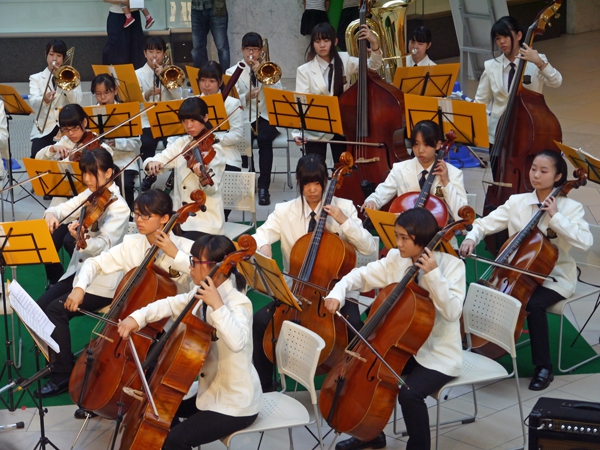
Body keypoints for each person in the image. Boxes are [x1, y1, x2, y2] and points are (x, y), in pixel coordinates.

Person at [326, 208, 465, 450]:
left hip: (438, 353)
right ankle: (369, 434)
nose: (398, 243)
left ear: (422, 239)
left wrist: (433, 275)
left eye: (404, 238)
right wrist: (337, 292)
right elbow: (362, 275)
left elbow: (452, 312)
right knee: (367, 374)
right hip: (402, 346)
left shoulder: (452, 266)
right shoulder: (396, 258)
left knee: (410, 395)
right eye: (397, 236)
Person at [460, 150, 593, 391]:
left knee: (533, 303)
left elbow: (585, 242)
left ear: (558, 176)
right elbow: (483, 224)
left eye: (543, 171)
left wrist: (556, 216)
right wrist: (471, 238)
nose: (536, 175)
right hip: (513, 274)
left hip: (554, 278)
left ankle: (544, 367)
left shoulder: (571, 208)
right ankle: (472, 343)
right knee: (485, 290)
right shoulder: (517, 202)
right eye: (533, 169)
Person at [117, 234, 261, 450]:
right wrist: (137, 318)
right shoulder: (200, 291)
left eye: (194, 262)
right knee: (160, 412)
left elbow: (237, 342)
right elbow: (170, 304)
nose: (190, 267)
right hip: (209, 392)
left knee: (176, 440)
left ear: (216, 268)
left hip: (235, 404)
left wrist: (217, 305)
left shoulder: (238, 303)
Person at [252, 154, 377, 391]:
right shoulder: (284, 210)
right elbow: (260, 235)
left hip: (335, 290)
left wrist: (344, 222)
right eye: (306, 184)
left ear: (326, 182)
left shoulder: (344, 207)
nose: (312, 190)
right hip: (296, 290)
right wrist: (264, 246)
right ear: (299, 183)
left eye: (317, 184)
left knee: (354, 326)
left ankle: (351, 385)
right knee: (260, 322)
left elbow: (369, 247)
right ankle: (265, 388)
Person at [67, 189, 193, 419]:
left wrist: (176, 255)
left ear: (165, 218)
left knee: (154, 362)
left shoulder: (186, 248)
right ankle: (104, 397)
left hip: (168, 326)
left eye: (146, 216)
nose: (139, 220)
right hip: (128, 321)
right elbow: (95, 263)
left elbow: (205, 278)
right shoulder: (131, 243)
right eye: (136, 214)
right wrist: (80, 287)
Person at [34, 148, 130, 398]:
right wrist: (51, 214)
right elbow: (64, 207)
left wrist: (82, 241)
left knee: (55, 311)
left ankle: (62, 375)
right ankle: (58, 360)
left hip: (104, 281)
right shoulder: (92, 194)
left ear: (109, 173)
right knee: (40, 307)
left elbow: (106, 244)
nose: (87, 180)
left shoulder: (119, 208)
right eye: (84, 174)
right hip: (79, 274)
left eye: (92, 174)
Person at [35, 104, 114, 287]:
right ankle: (56, 280)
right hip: (65, 206)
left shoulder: (99, 145)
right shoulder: (64, 143)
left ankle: (81, 277)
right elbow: (38, 159)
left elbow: (108, 160)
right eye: (66, 129)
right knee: (47, 239)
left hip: (88, 208)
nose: (70, 134)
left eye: (74, 128)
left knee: (69, 241)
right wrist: (52, 149)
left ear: (84, 123)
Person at [293, 22, 382, 164]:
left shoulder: (345, 60)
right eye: (317, 41)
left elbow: (373, 66)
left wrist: (374, 44)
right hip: (315, 129)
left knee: (345, 168)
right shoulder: (304, 70)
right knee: (315, 170)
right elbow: (301, 105)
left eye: (326, 40)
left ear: (334, 41)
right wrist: (297, 133)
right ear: (313, 44)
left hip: (342, 126)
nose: (322, 45)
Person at [143, 96, 226, 240]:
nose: (188, 126)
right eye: (184, 121)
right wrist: (152, 163)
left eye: (193, 120)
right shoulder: (181, 143)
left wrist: (202, 177)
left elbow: (212, 190)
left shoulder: (215, 149)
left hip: (205, 220)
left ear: (205, 118)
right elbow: (159, 158)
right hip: (179, 216)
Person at [475, 16, 562, 145]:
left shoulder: (536, 61)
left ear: (519, 35)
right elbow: (480, 102)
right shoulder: (490, 66)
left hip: (530, 130)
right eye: (497, 38)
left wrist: (540, 63)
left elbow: (556, 82)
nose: (502, 42)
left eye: (506, 36)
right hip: (498, 134)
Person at [362, 120, 467, 220]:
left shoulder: (454, 173)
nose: (420, 150)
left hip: (440, 232)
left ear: (438, 145)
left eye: (426, 144)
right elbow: (379, 195)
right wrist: (372, 201)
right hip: (406, 230)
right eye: (416, 144)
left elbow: (462, 215)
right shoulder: (400, 169)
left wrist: (446, 182)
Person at [226, 32, 283, 206]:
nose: (251, 53)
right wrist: (247, 96)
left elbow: (279, 93)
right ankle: (247, 183)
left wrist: (263, 75)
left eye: (255, 49)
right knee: (244, 141)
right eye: (248, 49)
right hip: (244, 116)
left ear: (261, 50)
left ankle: (264, 186)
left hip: (264, 115)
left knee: (265, 140)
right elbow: (231, 101)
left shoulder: (269, 68)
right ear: (242, 50)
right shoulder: (232, 72)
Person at [136, 36, 183, 191]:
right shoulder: (137, 74)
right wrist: (147, 94)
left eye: (158, 51)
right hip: (147, 120)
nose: (154, 55)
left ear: (164, 54)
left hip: (168, 120)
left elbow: (179, 96)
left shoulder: (171, 72)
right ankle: (150, 174)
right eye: (151, 52)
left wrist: (165, 78)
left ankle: (175, 174)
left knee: (175, 143)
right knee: (147, 142)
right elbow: (134, 101)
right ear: (145, 53)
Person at [90, 73, 142, 210]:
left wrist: (116, 143)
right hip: (100, 161)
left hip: (124, 160)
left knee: (125, 184)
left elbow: (137, 143)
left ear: (115, 91)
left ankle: (128, 215)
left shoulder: (128, 112)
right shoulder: (91, 114)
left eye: (107, 93)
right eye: (98, 94)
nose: (103, 98)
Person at [29, 39, 83, 158]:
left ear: (63, 58)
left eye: (58, 56)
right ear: (46, 54)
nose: (54, 59)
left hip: (67, 129)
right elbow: (33, 102)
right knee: (37, 157)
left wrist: (66, 84)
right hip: (43, 130)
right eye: (51, 54)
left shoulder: (71, 75)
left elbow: (77, 102)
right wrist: (44, 100)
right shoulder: (36, 78)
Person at [102, 0, 145, 69]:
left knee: (136, 52)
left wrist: (130, 2)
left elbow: (139, 2)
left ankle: (135, 76)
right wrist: (123, 1)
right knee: (116, 53)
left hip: (134, 15)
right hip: (116, 16)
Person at [191, 0, 230, 70]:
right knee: (198, 48)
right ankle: (202, 75)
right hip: (196, 7)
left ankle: (225, 76)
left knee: (222, 47)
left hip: (217, 7)